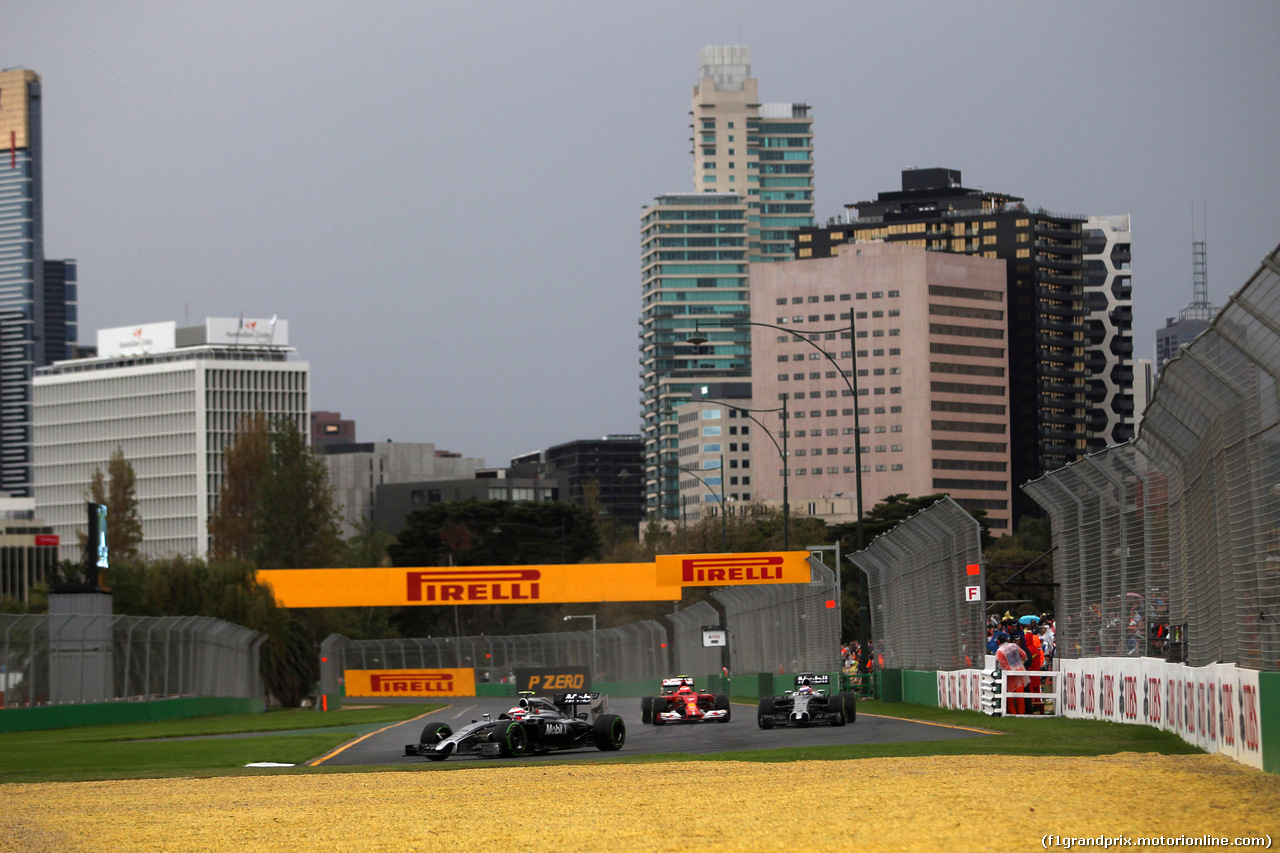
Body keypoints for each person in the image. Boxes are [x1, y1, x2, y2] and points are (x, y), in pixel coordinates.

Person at [995, 631, 1028, 715]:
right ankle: (1021, 712)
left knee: (1009, 694)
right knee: (1020, 694)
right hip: (1020, 671)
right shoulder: (1014, 646)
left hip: (1009, 674)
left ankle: (1012, 712)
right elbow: (1024, 656)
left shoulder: (1000, 651)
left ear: (998, 642)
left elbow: (1001, 664)